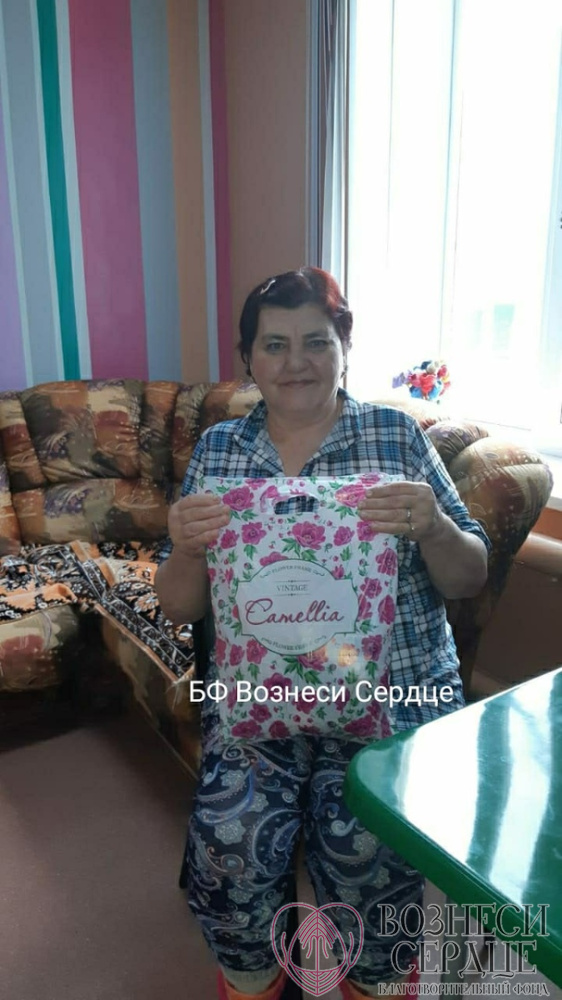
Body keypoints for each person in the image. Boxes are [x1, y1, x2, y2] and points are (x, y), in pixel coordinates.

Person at [155, 267, 490, 1000]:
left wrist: (435, 526)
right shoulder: (220, 450)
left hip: (393, 692)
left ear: (345, 348)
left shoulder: (395, 437)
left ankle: (375, 976)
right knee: (230, 837)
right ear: (248, 358)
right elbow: (178, 603)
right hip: (258, 697)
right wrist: (184, 549)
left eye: (316, 341)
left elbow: (469, 576)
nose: (295, 361)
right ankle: (253, 973)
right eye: (274, 344)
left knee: (366, 840)